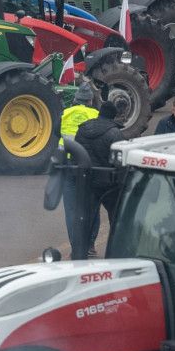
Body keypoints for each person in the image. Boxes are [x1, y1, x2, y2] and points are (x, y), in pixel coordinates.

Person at [75, 101, 125, 257]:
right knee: (116, 216)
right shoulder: (114, 133)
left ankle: (84, 249)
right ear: (113, 115)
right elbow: (119, 160)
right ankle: (116, 248)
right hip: (109, 183)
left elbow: (78, 153)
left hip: (87, 181)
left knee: (86, 216)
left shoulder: (83, 129)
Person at [58, 83, 101, 257]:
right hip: (88, 166)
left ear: (75, 100)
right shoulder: (96, 115)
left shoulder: (65, 114)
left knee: (71, 210)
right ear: (90, 100)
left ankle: (76, 246)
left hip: (68, 166)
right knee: (92, 207)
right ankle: (89, 245)